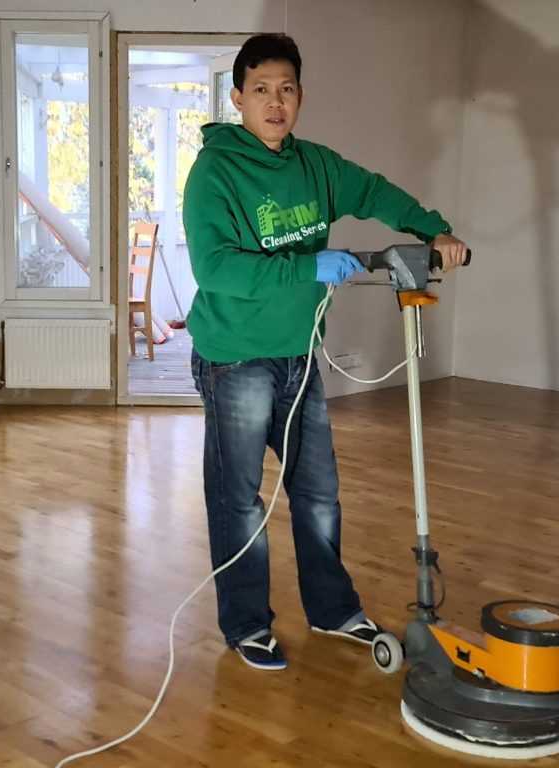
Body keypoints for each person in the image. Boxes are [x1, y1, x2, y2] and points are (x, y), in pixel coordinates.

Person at [183, 33, 468, 671]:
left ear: (300, 96)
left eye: (286, 89)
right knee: (239, 500)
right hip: (235, 358)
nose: (274, 101)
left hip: (301, 356)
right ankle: (247, 624)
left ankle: (333, 610)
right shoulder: (215, 173)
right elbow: (219, 268)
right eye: (260, 90)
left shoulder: (315, 166)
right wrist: (309, 266)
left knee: (317, 493)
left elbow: (373, 192)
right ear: (238, 98)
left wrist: (432, 227)